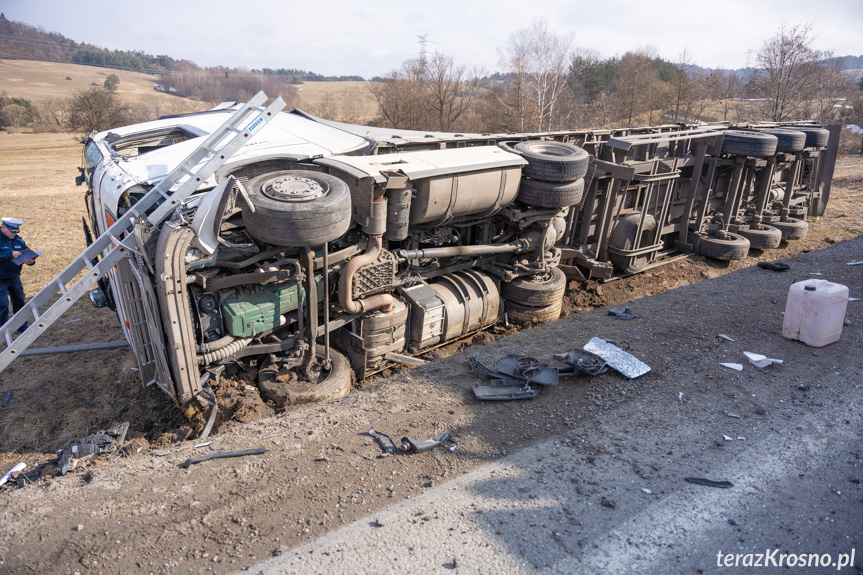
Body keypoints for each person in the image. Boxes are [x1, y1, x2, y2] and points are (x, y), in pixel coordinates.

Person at [0, 217, 35, 333]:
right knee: (3, 305)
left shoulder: (18, 240)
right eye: (12, 231)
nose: (14, 234)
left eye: (16, 232)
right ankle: (3, 331)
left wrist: (31, 261)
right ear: (3, 227)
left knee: (20, 302)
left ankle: (22, 327)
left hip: (14, 277)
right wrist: (10, 254)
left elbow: (27, 252)